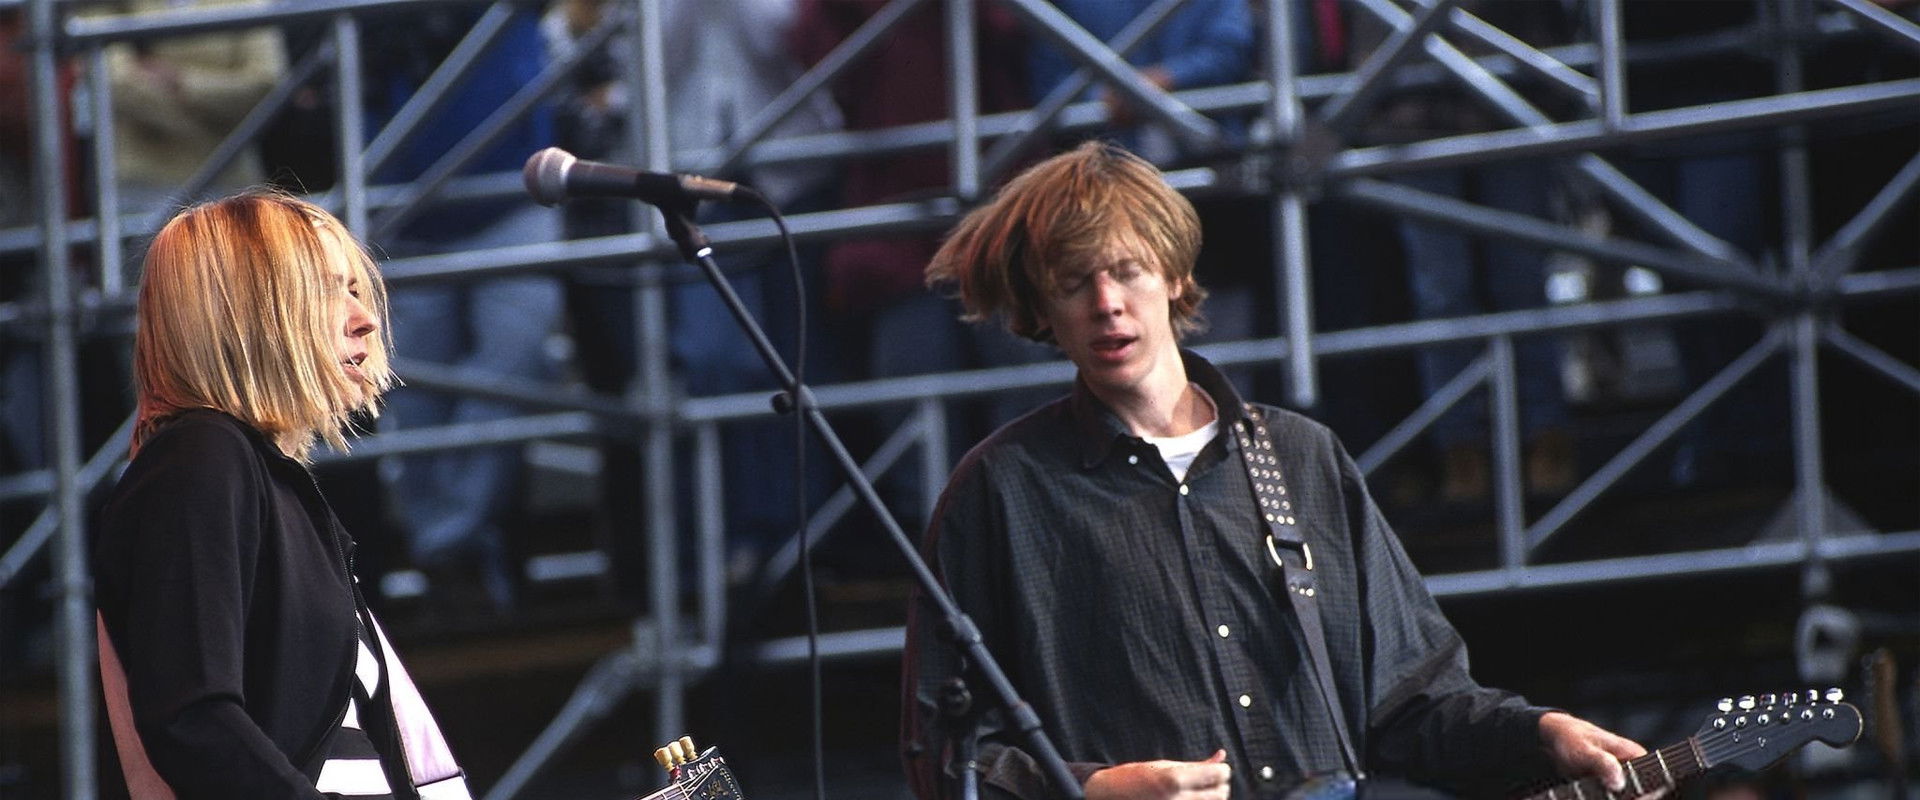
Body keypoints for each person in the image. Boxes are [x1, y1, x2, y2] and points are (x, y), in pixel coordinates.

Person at [900, 142, 1655, 800]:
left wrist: (1542, 734)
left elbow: (1413, 702)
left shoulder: (1300, 458)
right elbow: (945, 756)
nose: (1106, 304)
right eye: (1072, 284)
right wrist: (1091, 789)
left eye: (1125, 271)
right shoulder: (999, 493)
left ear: (1169, 274)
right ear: (1040, 309)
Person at [92, 193, 470, 798]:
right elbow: (192, 717)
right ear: (243, 314)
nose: (365, 318)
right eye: (326, 290)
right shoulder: (200, 460)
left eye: (356, 288)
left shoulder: (250, 472)